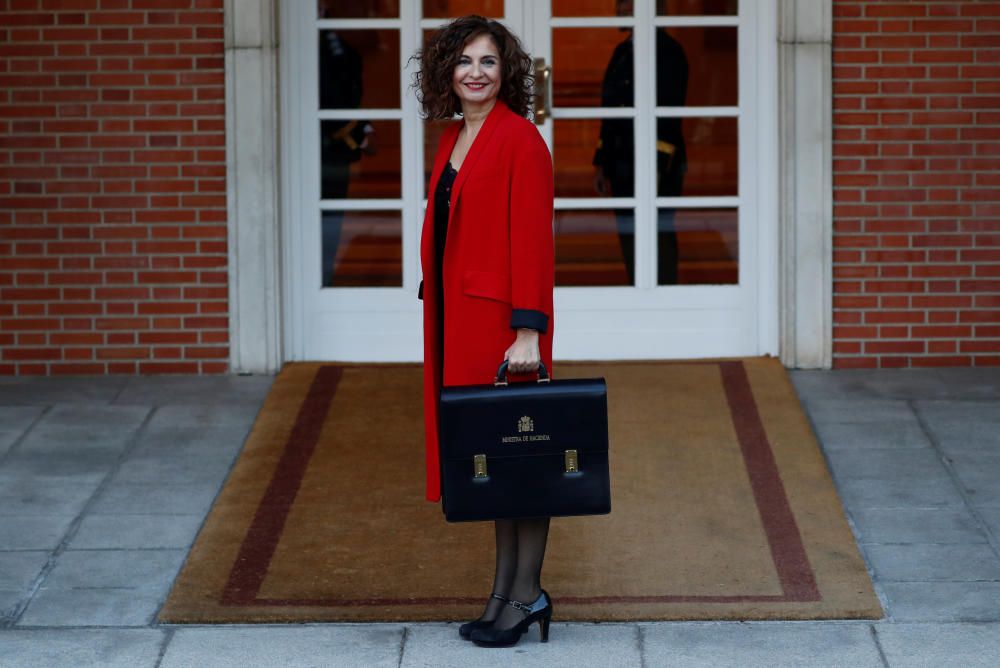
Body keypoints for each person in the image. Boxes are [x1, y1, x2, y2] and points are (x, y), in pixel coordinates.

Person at [412, 15, 556, 648]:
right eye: (464, 60)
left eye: (488, 61)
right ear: (448, 69)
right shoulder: (452, 139)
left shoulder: (521, 140)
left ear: (507, 73)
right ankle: (501, 593)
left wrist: (528, 331)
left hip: (504, 326)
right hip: (457, 320)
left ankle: (528, 595)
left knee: (524, 457)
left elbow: (532, 244)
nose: (475, 71)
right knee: (497, 462)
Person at [593, 0, 688, 285]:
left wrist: (657, 165)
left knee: (658, 231)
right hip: (622, 161)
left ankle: (665, 293)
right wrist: (601, 163)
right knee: (629, 232)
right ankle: (638, 289)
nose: (619, 10)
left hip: (658, 161)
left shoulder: (669, 52)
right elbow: (609, 112)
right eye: (619, 4)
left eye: (626, 3)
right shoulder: (622, 52)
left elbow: (669, 117)